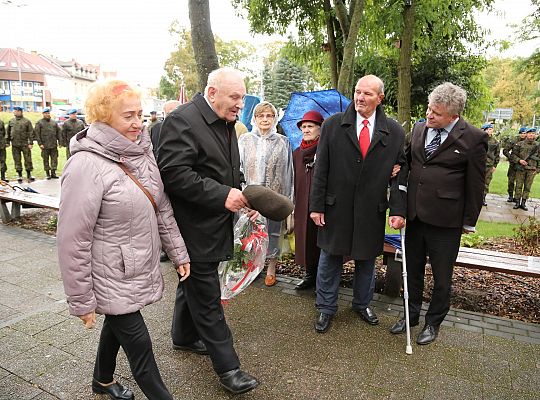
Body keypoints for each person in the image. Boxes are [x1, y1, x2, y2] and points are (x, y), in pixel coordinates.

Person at [57, 80, 190, 400]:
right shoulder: (86, 164)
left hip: (134, 266)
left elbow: (160, 206)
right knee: (140, 345)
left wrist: (179, 253)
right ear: (103, 117)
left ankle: (101, 381)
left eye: (140, 115)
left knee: (117, 323)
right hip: (107, 273)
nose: (137, 123)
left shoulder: (142, 152)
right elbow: (72, 240)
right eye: (128, 115)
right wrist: (82, 300)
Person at [157, 67, 259, 395]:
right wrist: (222, 195)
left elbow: (226, 170)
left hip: (216, 222)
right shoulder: (183, 121)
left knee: (193, 286)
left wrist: (241, 193)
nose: (240, 104)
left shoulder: (224, 121)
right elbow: (173, 174)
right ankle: (229, 369)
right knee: (207, 298)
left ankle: (183, 336)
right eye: (235, 96)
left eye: (242, 97)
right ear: (212, 93)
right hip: (192, 229)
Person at [390, 82, 488, 345]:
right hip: (414, 216)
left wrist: (468, 221)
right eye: (428, 109)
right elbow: (407, 163)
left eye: (436, 113)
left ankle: (433, 323)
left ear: (453, 116)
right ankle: (410, 317)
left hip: (447, 220)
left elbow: (477, 184)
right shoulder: (420, 128)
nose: (429, 115)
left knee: (442, 278)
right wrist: (397, 170)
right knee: (412, 271)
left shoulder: (474, 138)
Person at [309, 75, 407, 334]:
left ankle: (362, 304)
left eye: (367, 94)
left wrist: (397, 210)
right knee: (330, 258)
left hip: (370, 208)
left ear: (380, 98)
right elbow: (321, 169)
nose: (360, 98)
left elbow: (400, 176)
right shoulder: (332, 125)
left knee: (366, 259)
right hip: (335, 206)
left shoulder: (395, 132)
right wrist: (316, 206)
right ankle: (326, 307)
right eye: (357, 92)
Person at [238, 101, 294, 287]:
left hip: (273, 195)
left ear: (274, 118)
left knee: (272, 232)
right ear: (254, 118)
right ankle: (251, 268)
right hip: (250, 195)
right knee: (250, 230)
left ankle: (271, 268)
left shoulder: (282, 141)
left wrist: (287, 200)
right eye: (261, 115)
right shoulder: (245, 140)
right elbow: (239, 167)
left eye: (269, 115)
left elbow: (288, 172)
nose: (265, 119)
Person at [292, 110, 324, 290]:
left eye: (310, 126)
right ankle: (310, 275)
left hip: (320, 203)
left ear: (320, 129)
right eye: (303, 127)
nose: (306, 130)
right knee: (305, 239)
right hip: (302, 202)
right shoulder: (297, 153)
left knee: (321, 239)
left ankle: (323, 277)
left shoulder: (325, 149)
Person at [510, 127, 539, 211]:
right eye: (530, 133)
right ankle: (517, 202)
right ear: (526, 134)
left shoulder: (537, 145)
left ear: (535, 135)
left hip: (532, 170)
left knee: (527, 187)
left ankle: (523, 203)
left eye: (533, 133)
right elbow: (513, 155)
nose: (531, 135)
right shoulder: (519, 144)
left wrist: (538, 169)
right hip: (521, 168)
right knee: (518, 186)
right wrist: (519, 160)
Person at [7, 106, 34, 183]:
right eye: (14, 111)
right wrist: (7, 141)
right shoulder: (11, 121)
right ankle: (19, 174)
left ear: (20, 112)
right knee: (17, 160)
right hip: (15, 144)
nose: (14, 112)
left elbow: (31, 133)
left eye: (15, 111)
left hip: (25, 144)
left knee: (28, 159)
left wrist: (31, 143)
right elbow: (8, 132)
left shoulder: (27, 121)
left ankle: (29, 174)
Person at [34, 107, 62, 179]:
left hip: (53, 144)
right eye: (46, 113)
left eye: (48, 113)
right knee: (45, 159)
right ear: (43, 114)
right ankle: (47, 173)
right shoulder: (39, 123)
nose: (47, 114)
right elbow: (37, 134)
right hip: (45, 145)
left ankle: (53, 172)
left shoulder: (54, 122)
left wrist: (60, 142)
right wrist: (40, 144)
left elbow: (58, 132)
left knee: (54, 159)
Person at [503, 127, 527, 203]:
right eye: (522, 133)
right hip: (513, 165)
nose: (523, 135)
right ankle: (510, 196)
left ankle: (517, 198)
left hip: (523, 166)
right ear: (519, 133)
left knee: (520, 183)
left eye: (525, 133)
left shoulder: (528, 142)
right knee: (511, 181)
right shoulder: (514, 140)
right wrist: (511, 158)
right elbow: (505, 150)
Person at [482, 123, 500, 206]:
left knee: (486, 182)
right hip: (479, 164)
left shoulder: (495, 141)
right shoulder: (479, 139)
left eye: (491, 129)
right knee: (476, 182)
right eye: (489, 129)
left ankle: (483, 198)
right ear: (484, 130)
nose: (491, 131)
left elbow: (497, 154)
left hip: (489, 165)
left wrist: (494, 166)